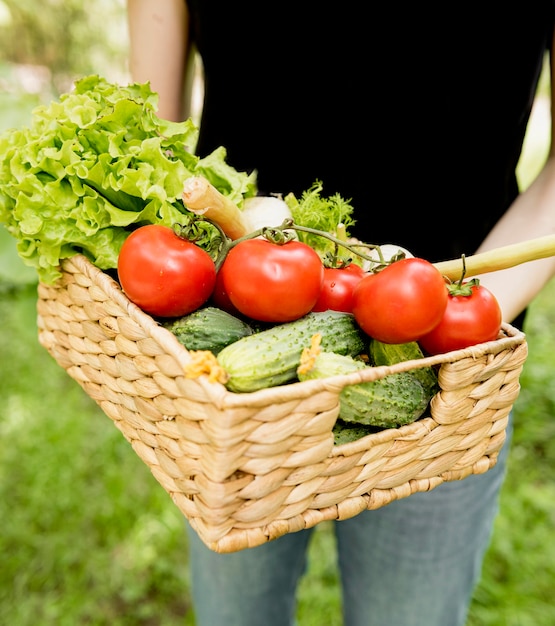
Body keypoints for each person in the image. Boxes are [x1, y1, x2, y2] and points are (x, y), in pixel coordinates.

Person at [126, 2, 555, 625]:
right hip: (231, 354)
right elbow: (151, 130)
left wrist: (452, 320)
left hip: (448, 366)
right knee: (234, 613)